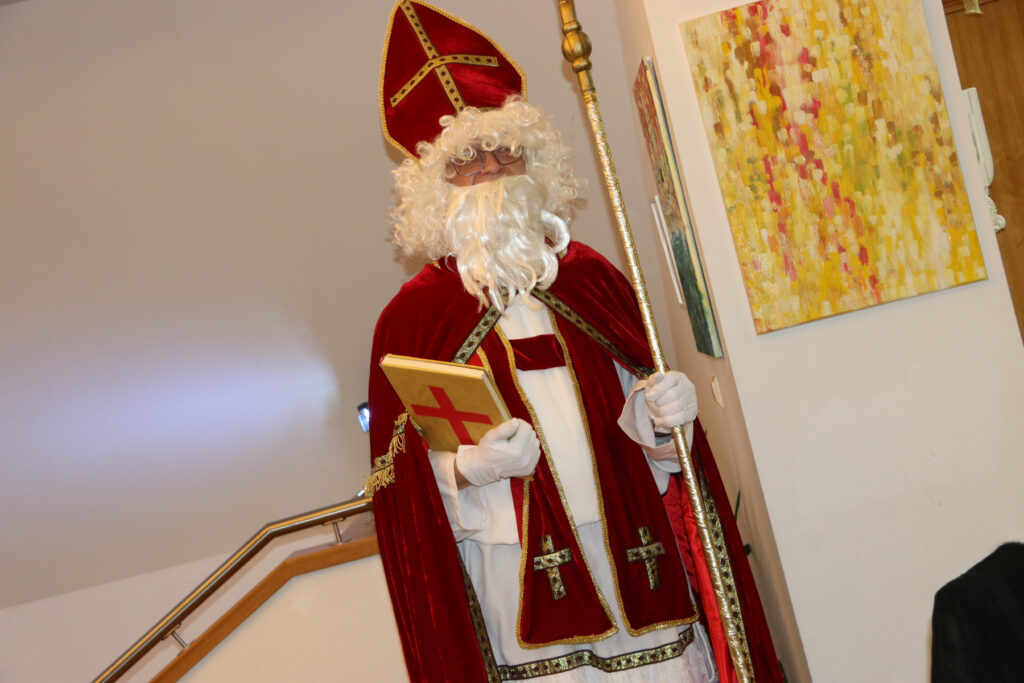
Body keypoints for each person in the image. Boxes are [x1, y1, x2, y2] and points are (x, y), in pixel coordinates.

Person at [366, 2, 782, 681]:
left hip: (633, 541)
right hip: (513, 566)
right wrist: (470, 469)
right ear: (435, 185)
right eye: (467, 158)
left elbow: (638, 417)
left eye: (506, 149)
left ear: (534, 162)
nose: (492, 168)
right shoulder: (414, 319)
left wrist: (659, 418)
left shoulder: (591, 277)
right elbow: (402, 490)